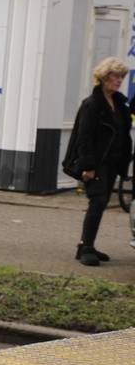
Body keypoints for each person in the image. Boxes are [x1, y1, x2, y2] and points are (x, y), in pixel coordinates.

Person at [66, 56, 133, 266]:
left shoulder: (119, 104)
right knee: (97, 201)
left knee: (101, 201)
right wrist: (87, 166)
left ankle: (87, 245)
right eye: (115, 76)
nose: (119, 80)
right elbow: (83, 138)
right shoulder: (92, 105)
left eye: (122, 77)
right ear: (104, 77)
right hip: (96, 163)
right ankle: (86, 248)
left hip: (112, 162)